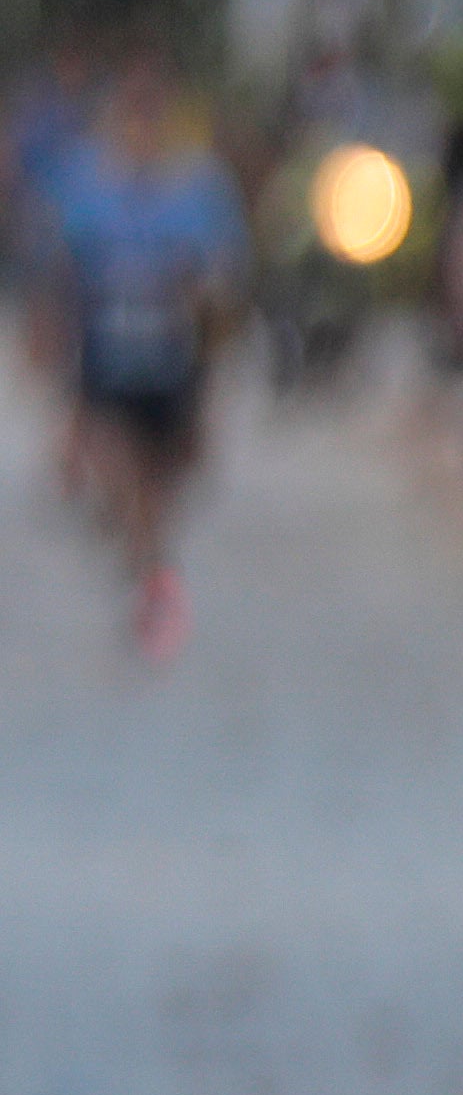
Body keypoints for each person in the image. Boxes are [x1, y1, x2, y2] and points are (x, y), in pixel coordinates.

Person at [30, 46, 250, 660]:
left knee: (158, 493)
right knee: (121, 478)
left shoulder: (201, 190)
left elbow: (222, 297)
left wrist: (211, 391)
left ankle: (150, 571)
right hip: (107, 366)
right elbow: (58, 283)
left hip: (173, 370)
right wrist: (60, 394)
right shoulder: (82, 184)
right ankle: (152, 589)